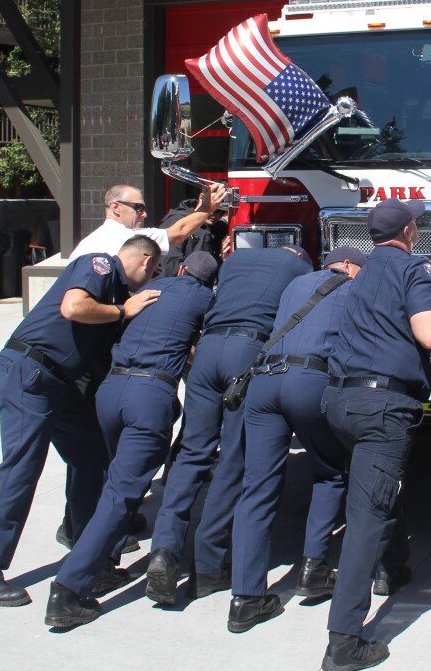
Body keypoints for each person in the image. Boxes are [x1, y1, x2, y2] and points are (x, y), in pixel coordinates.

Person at [0, 236, 162, 608]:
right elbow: (73, 306)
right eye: (154, 271)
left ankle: (90, 557)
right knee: (20, 469)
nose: (149, 282)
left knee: (94, 460)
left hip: (59, 383)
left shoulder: (115, 292)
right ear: (146, 261)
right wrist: (123, 311)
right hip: (30, 372)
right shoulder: (100, 265)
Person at [44, 252, 218, 628]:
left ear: (182, 269)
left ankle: (104, 565)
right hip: (150, 395)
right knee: (122, 495)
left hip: (111, 391)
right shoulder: (204, 298)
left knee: (113, 482)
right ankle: (68, 590)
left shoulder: (148, 288)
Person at [321, 198, 431, 671]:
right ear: (410, 231)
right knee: (367, 516)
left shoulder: (358, 271)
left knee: (378, 487)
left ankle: (394, 567)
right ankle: (344, 643)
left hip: (339, 401)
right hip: (382, 407)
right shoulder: (413, 268)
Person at [145, 244, 313, 605]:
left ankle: (164, 549)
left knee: (192, 451)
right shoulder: (297, 267)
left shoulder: (235, 260)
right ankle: (209, 561)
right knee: (233, 458)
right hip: (247, 352)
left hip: (208, 350)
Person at [227, 246, 368, 634]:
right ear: (351, 267)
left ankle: (245, 599)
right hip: (310, 381)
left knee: (256, 487)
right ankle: (313, 569)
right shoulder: (354, 287)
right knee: (329, 471)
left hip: (264, 382)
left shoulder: (294, 284)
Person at [69, 182, 227, 259]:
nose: (144, 215)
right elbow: (179, 232)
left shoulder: (100, 237)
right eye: (138, 207)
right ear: (115, 207)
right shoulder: (122, 237)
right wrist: (207, 208)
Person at [158, 196, 230, 278]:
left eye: (221, 212)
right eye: (214, 210)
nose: (216, 215)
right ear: (201, 198)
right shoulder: (178, 222)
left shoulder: (219, 228)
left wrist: (222, 259)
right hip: (178, 283)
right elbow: (170, 267)